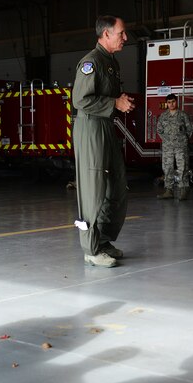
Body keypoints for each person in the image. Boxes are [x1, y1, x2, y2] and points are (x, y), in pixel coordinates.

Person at [72, 16, 135, 268]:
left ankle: (104, 240)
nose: (125, 38)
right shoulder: (91, 62)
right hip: (91, 129)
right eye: (121, 33)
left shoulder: (111, 62)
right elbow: (80, 100)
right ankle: (91, 248)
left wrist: (118, 100)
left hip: (106, 127)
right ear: (106, 34)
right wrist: (114, 103)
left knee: (116, 187)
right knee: (93, 191)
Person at [156, 93, 193, 200]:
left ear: (176, 102)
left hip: (181, 146)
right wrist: (167, 140)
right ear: (166, 104)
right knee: (167, 168)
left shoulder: (183, 115)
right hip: (168, 147)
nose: (171, 104)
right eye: (169, 102)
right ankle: (169, 190)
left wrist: (183, 139)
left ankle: (183, 190)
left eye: (173, 102)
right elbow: (159, 130)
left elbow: (190, 129)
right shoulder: (163, 116)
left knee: (183, 168)